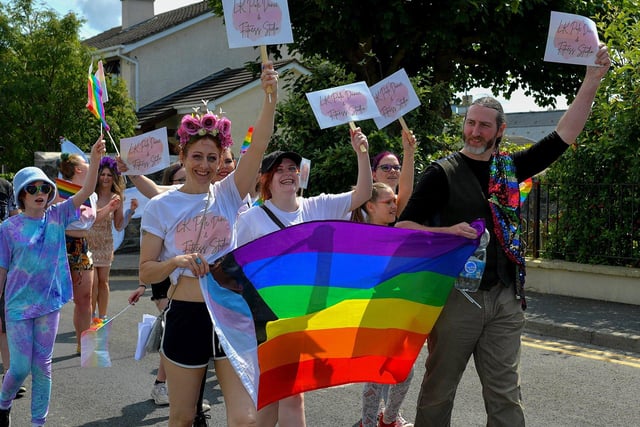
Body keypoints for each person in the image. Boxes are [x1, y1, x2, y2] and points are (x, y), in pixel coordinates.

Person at [395, 45, 611, 427]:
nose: (474, 131)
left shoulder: (508, 168)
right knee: (438, 391)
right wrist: (446, 230)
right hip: (456, 299)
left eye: (484, 125)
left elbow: (562, 136)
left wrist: (591, 80)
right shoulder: (441, 173)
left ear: (500, 130)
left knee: (506, 396)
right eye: (470, 123)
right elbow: (404, 227)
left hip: (506, 299)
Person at [138, 62, 278, 427]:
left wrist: (270, 96)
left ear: (221, 162)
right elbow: (146, 269)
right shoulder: (160, 207)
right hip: (186, 316)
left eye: (212, 158)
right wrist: (177, 260)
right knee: (183, 418)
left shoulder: (230, 194)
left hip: (231, 313)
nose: (204, 164)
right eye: (197, 156)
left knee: (246, 419)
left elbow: (259, 143)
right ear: (182, 157)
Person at [235, 127, 373, 427]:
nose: (287, 173)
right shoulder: (251, 220)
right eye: (279, 169)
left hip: (306, 315)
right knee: (278, 393)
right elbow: (233, 266)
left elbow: (363, 194)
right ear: (267, 180)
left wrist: (361, 152)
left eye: (292, 168)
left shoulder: (316, 206)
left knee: (288, 393)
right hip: (268, 318)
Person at [0, 137, 105, 427]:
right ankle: (3, 403)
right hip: (17, 307)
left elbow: (86, 190)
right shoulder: (7, 229)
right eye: (32, 189)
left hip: (48, 304)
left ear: (50, 193)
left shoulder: (58, 216)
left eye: (44, 188)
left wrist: (95, 159)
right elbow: (1, 271)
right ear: (21, 194)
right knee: (20, 368)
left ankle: (38, 423)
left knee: (43, 367)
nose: (39, 193)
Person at [352, 182, 413, 427]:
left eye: (394, 202)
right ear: (370, 205)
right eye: (387, 202)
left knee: (404, 373)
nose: (393, 206)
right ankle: (370, 423)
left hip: (397, 316)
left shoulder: (400, 235)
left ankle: (388, 419)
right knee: (375, 376)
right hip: (372, 316)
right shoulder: (359, 237)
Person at [57, 152, 98, 354]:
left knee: (85, 298)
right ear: (78, 169)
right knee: (52, 298)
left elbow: (88, 222)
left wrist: (109, 208)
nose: (90, 165)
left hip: (82, 245)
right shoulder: (60, 191)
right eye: (87, 162)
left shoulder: (93, 194)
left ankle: (83, 344)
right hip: (60, 244)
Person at [87, 157, 137, 320]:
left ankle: (102, 316)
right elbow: (88, 219)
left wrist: (130, 212)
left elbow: (118, 225)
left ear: (114, 177)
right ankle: (90, 315)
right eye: (103, 175)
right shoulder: (91, 195)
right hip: (89, 244)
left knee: (103, 281)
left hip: (106, 244)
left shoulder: (117, 197)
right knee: (92, 283)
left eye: (109, 175)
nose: (106, 178)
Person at [0, 179, 25, 399]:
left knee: (4, 321)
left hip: (4, 257)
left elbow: (15, 218)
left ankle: (9, 376)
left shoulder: (6, 187)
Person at [370, 129, 417, 217]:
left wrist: (409, 151)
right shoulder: (363, 201)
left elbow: (406, 190)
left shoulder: (398, 206)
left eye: (396, 167)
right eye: (385, 168)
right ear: (374, 175)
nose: (392, 171)